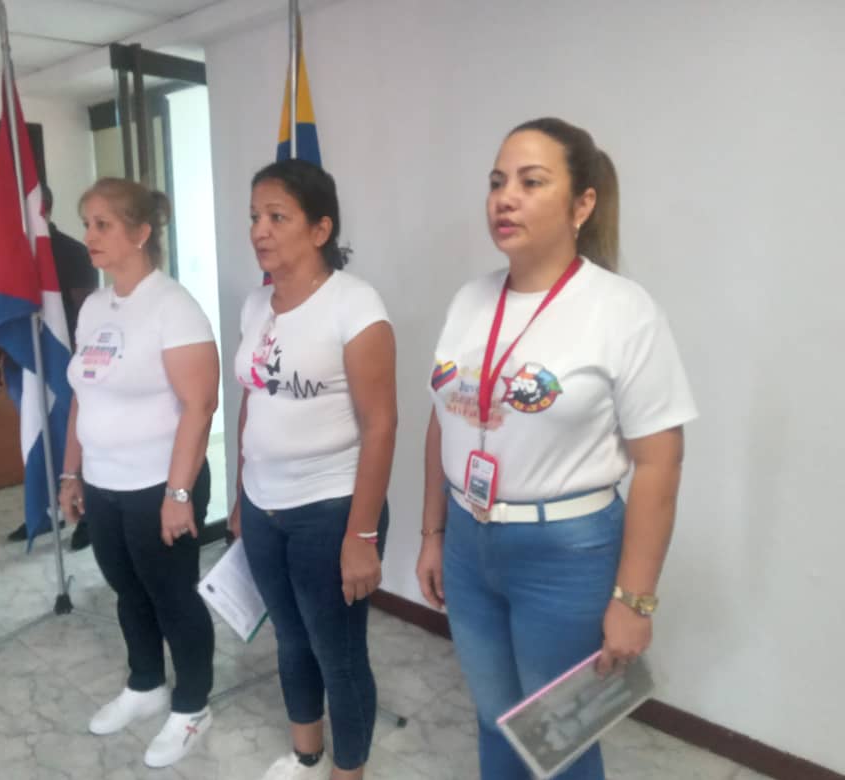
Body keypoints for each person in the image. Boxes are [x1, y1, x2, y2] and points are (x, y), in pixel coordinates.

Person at [415, 117, 697, 779]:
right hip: (467, 542)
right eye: (496, 182)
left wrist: (634, 600)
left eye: (530, 181)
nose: (504, 197)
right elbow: (443, 420)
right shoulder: (469, 300)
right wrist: (433, 531)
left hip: (566, 555)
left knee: (559, 740)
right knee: (493, 717)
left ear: (583, 203)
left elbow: (661, 460)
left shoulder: (622, 310)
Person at [229, 159, 397, 780]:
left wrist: (361, 535)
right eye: (254, 216)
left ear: (320, 228)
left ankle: (347, 773)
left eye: (277, 217)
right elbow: (253, 394)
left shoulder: (355, 306)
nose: (260, 230)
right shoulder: (257, 304)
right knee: (290, 638)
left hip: (331, 508)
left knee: (339, 654)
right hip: (265, 501)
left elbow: (381, 425)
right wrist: (242, 491)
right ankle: (306, 755)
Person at [58, 178, 218, 769]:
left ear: (141, 233)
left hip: (159, 484)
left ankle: (194, 705)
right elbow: (82, 392)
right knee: (128, 591)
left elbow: (200, 406)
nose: (89, 236)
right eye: (87, 222)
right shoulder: (95, 306)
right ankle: (147, 684)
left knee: (172, 595)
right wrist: (70, 474)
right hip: (103, 482)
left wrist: (179, 493)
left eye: (103, 224)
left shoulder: (174, 307)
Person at [0, 183, 99, 549]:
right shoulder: (9, 255)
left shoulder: (72, 251)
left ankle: (86, 518)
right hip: (23, 365)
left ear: (44, 208)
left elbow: (84, 312)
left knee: (74, 440)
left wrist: (85, 367)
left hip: (62, 361)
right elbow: (1, 313)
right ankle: (43, 512)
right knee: (37, 437)